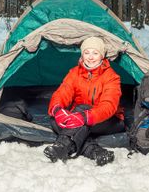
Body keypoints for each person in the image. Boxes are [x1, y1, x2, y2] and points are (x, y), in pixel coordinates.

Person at [43, 36, 124, 166]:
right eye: (87, 53)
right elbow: (62, 93)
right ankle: (96, 152)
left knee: (81, 111)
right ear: (82, 54)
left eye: (95, 53)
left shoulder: (111, 77)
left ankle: (62, 146)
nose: (90, 57)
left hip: (110, 120)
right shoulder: (74, 73)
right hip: (80, 117)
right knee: (55, 119)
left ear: (102, 56)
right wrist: (57, 109)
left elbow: (109, 106)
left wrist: (86, 116)